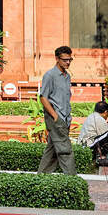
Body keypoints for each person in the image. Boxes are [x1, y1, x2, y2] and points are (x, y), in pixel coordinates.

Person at [38, 45, 75, 175]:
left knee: (52, 149)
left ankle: (42, 177)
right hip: (55, 117)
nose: (68, 62)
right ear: (57, 59)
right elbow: (43, 97)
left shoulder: (67, 76)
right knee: (65, 149)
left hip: (65, 117)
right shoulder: (50, 75)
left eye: (70, 59)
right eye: (65, 60)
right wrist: (55, 116)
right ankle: (72, 180)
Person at [77, 100, 108, 168]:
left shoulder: (91, 116)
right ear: (105, 112)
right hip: (89, 146)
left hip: (85, 145)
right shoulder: (99, 120)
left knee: (106, 136)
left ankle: (104, 157)